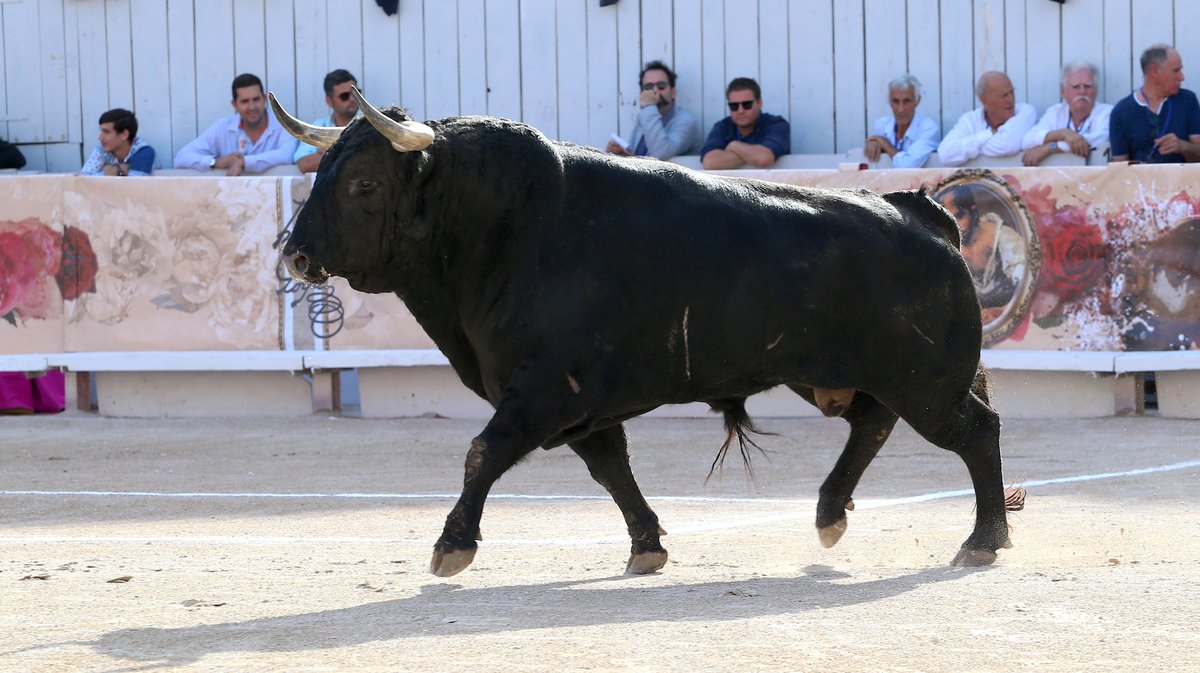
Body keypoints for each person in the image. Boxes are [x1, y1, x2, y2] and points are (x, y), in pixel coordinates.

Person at [173, 73, 297, 175]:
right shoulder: (223, 127)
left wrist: (244, 162)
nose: (252, 107)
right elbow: (181, 158)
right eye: (244, 101)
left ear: (265, 99)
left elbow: (286, 155)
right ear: (234, 105)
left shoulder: (283, 124)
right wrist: (215, 162)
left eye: (256, 99)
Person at [1110, 44, 1200, 163]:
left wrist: (1182, 146)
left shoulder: (1188, 100)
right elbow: (1119, 167)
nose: (1181, 77)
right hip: (1143, 181)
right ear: (1155, 71)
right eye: (1176, 70)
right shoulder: (1121, 111)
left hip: (1183, 181)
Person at [939, 185, 1025, 311]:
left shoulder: (1002, 236)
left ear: (973, 210)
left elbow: (1025, 279)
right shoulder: (944, 244)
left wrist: (1003, 311)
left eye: (959, 216)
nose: (954, 226)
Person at [1021, 62, 1112, 166]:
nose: (1082, 91)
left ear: (1095, 91)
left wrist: (1050, 147)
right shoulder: (1055, 112)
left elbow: (1098, 139)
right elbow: (1027, 141)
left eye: (1087, 86)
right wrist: (1063, 133)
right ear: (1063, 91)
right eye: (1075, 87)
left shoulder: (1107, 112)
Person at [936, 71, 1036, 166]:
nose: (1010, 100)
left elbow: (1006, 146)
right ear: (984, 99)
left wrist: (975, 147)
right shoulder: (970, 119)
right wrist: (990, 134)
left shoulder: (1025, 111)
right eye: (1004, 95)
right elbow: (945, 155)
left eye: (1012, 92)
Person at [606, 60, 701, 160]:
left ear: (673, 92)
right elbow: (638, 161)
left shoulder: (686, 121)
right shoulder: (645, 117)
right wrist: (621, 155)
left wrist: (649, 105)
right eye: (649, 87)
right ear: (642, 94)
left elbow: (660, 153)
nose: (655, 91)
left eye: (661, 86)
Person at [700, 77, 790, 169]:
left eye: (747, 105)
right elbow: (709, 162)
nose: (740, 111)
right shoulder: (723, 126)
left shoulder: (776, 124)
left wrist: (734, 145)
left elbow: (763, 159)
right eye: (734, 106)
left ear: (759, 103)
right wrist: (752, 154)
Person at [863, 74, 941, 168]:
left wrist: (884, 143)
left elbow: (907, 165)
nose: (901, 109)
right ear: (889, 101)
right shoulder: (881, 125)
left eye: (907, 101)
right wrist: (874, 144)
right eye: (895, 101)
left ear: (917, 101)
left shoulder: (928, 129)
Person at [295, 69, 361, 173]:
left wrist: (330, 152)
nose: (352, 99)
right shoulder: (319, 126)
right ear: (329, 101)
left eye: (356, 93)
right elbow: (304, 164)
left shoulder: (371, 123)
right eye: (344, 96)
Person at [80, 108, 156, 176]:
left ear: (124, 134)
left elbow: (134, 187)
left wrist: (115, 172)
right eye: (101, 131)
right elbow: (83, 178)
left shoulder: (143, 152)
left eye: (106, 132)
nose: (100, 138)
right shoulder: (103, 147)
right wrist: (112, 172)